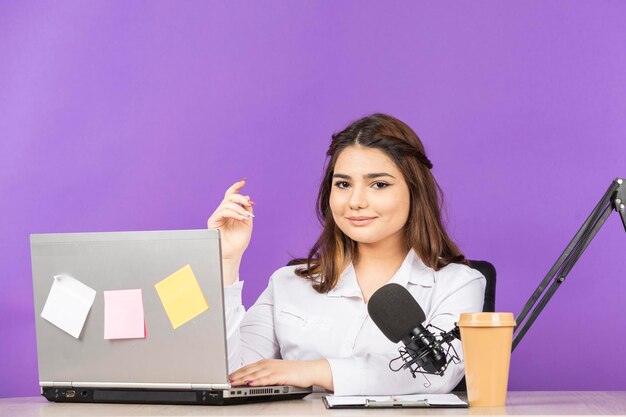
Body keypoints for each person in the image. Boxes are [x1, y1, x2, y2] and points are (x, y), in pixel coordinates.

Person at [207, 113, 486, 396]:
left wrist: (311, 370)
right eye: (343, 184)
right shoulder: (287, 283)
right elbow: (230, 375)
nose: (355, 202)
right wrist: (226, 261)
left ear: (415, 192)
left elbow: (436, 372)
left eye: (379, 184)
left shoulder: (458, 283)